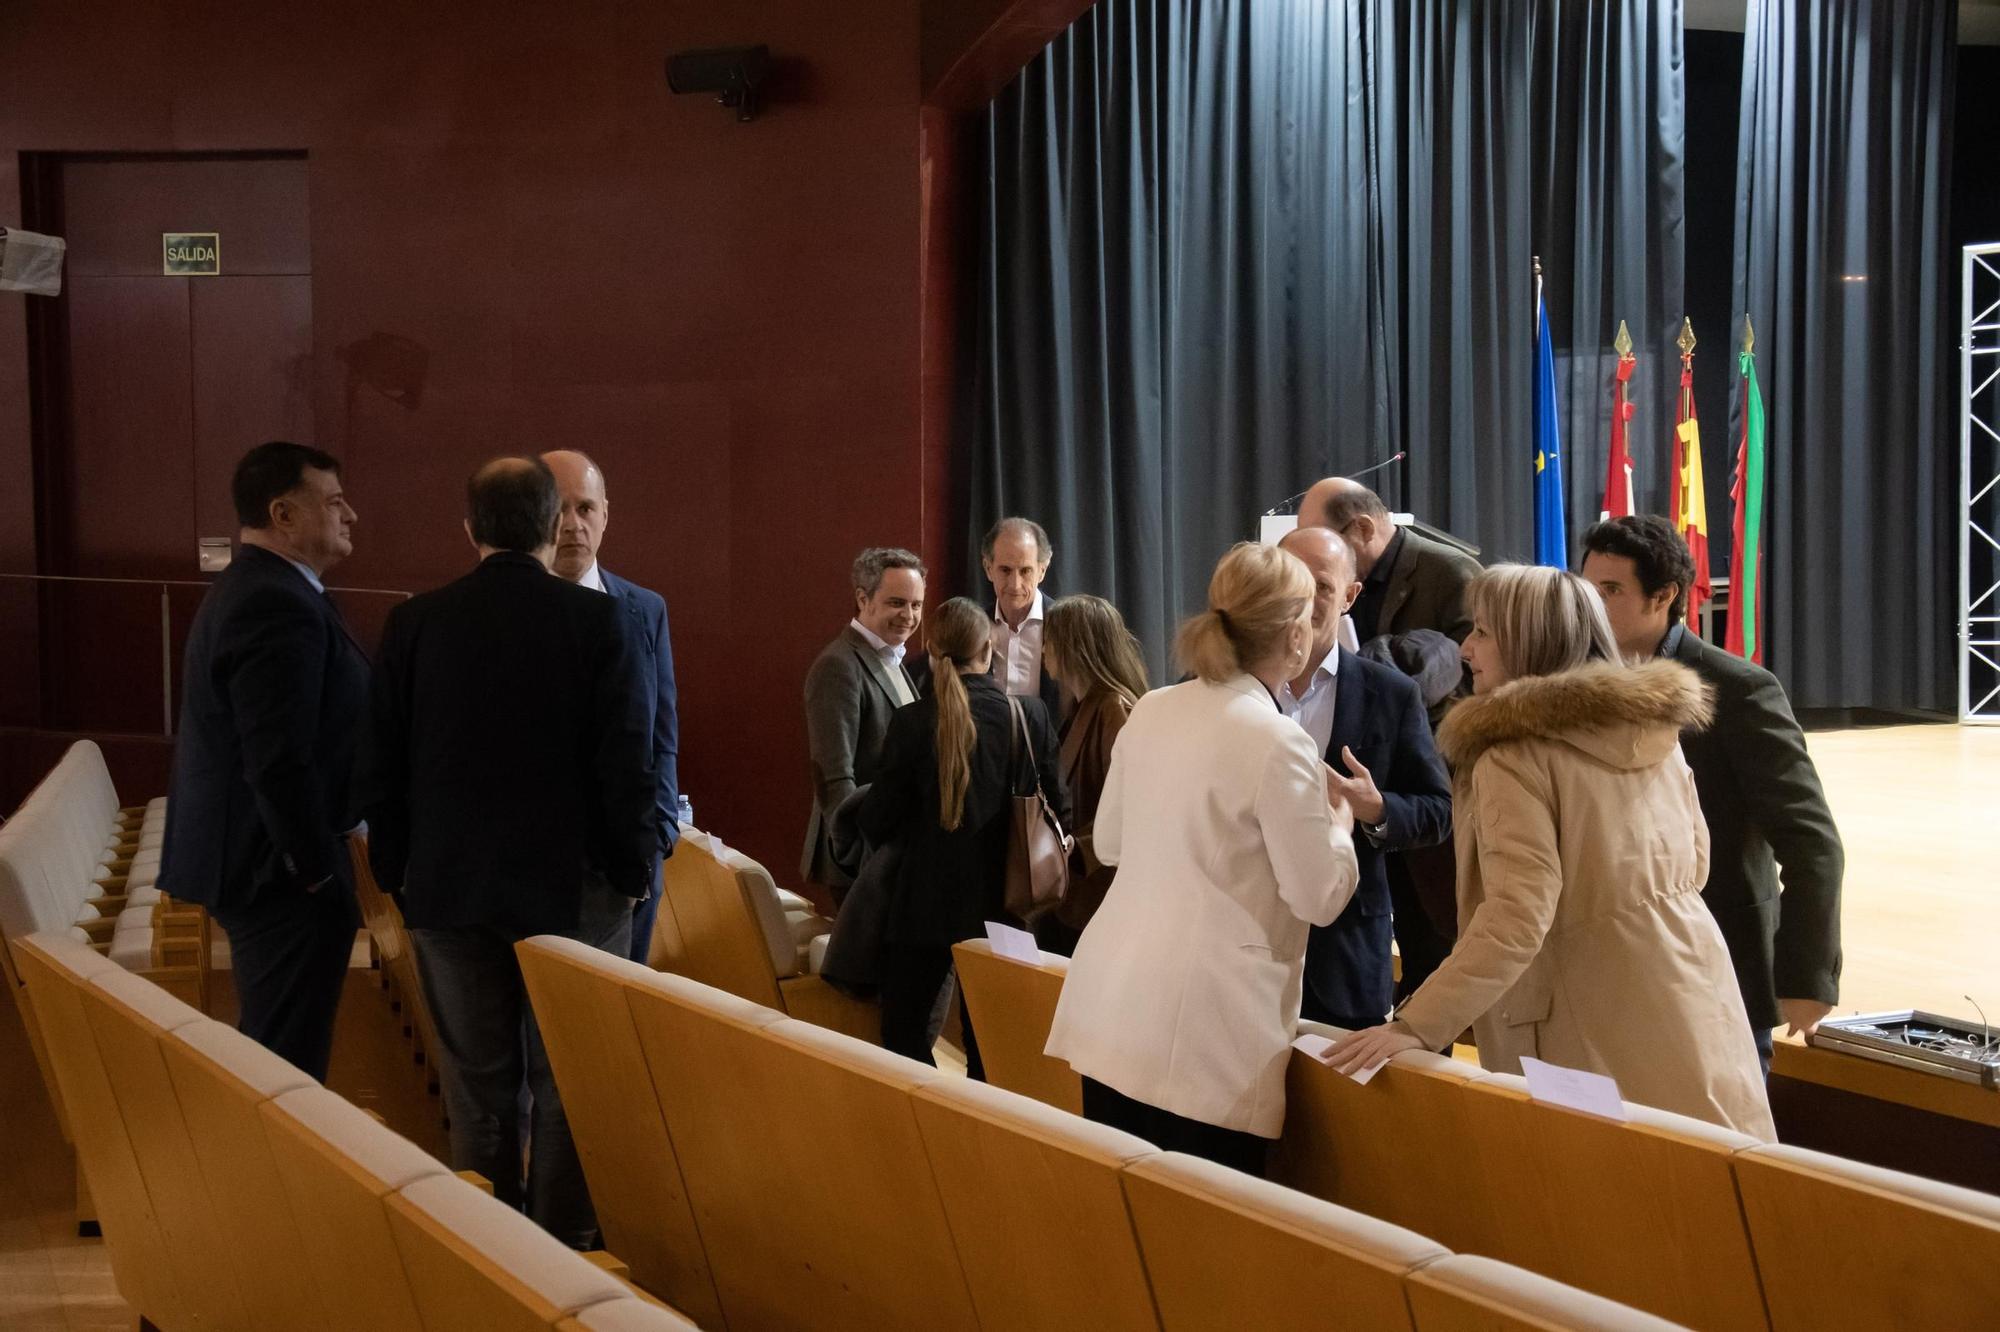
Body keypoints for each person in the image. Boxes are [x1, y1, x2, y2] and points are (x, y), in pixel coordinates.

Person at [1330, 566, 1775, 1140]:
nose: (1466, 648)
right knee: (1709, 1180)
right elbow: (1698, 859)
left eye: (1484, 632)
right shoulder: (1654, 732)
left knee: (1604, 1201)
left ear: (1528, 641)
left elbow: (1516, 918)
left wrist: (1417, 1024)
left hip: (1587, 1016)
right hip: (1691, 984)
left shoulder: (1512, 756)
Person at [355, 457, 655, 1245]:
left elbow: (382, 765)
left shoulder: (415, 624)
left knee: (478, 1092)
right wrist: (633, 877)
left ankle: (490, 1259)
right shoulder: (600, 624)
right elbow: (627, 763)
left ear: (469, 529)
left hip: (450, 893)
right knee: (569, 1086)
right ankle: (561, 1255)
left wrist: (396, 872)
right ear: (552, 522)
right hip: (576, 892)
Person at [1046, 543, 1359, 1175]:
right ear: (1296, 635)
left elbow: (1107, 842)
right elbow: (1320, 898)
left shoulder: (1156, 706)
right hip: (1207, 1038)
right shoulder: (1278, 740)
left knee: (1127, 1228)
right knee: (1202, 1247)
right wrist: (1341, 826)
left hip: (1116, 1009)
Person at [1580, 516, 1842, 1067]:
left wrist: (1803, 976)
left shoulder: (1740, 689)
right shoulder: (1580, 681)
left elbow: (1810, 840)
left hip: (1720, 956)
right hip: (1614, 954)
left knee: (1729, 1134)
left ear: (1665, 595)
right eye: (1588, 589)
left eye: (1611, 590)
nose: (1592, 604)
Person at [157, 442, 367, 1082]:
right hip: (276, 875)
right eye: (332, 502)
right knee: (285, 1065)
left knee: (279, 1048)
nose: (350, 515)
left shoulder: (266, 589)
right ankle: (272, 1178)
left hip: (266, 865)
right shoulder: (273, 601)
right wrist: (316, 872)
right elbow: (278, 759)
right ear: (284, 514)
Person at [859, 597, 1064, 1073]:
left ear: (931, 649)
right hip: (1007, 907)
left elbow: (878, 819)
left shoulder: (913, 722)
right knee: (993, 1049)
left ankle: (927, 1134)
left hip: (923, 905)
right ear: (989, 650)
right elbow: (1059, 808)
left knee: (903, 1036)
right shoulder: (1028, 716)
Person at [1303, 476, 1481, 999]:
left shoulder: (1450, 574)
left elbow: (1476, 677)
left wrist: (1387, 680)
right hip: (1346, 810)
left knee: (1431, 954)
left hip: (1419, 793)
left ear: (1361, 529)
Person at [1274, 527, 1452, 1030]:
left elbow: (1438, 811)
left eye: (1322, 586)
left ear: (1351, 595)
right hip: (1241, 945)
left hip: (1343, 953)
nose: (1303, 598)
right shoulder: (1223, 689)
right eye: (1291, 579)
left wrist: (1375, 809)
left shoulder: (1391, 694)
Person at [543, 449, 681, 966]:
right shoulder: (512, 610)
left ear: (606, 515)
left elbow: (662, 730)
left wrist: (660, 834)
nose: (572, 525)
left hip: (633, 853)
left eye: (584, 508)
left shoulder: (644, 608)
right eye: (558, 509)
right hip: (543, 860)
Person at [800, 547, 926, 902]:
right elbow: (834, 776)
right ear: (862, 598)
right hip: (859, 862)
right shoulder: (838, 665)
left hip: (889, 855)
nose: (909, 615)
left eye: (916, 605)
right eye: (897, 603)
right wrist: (860, 856)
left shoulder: (893, 659)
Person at [1032, 594, 1149, 956]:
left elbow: (1136, 804)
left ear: (1073, 645)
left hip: (1097, 894)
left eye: (1049, 640)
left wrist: (1076, 849)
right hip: (1077, 893)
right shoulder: (1084, 706)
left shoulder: (1114, 708)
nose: (1042, 650)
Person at [982, 516, 1065, 724]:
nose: (1015, 584)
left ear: (1042, 570)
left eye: (1025, 571)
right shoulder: (976, 626)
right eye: (1005, 570)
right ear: (988, 568)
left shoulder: (1066, 626)